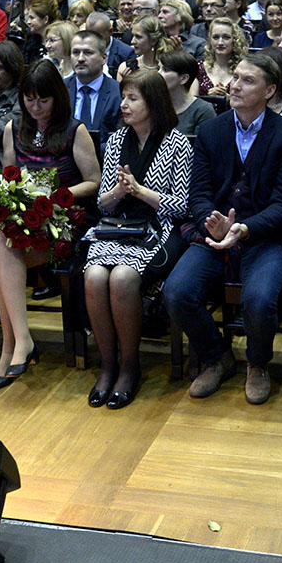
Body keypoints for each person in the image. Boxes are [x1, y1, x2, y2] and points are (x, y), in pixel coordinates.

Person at [163, 53, 282, 404]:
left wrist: (242, 228)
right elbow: (198, 193)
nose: (234, 85)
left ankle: (257, 364)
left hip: (266, 238)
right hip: (215, 234)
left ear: (269, 91)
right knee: (176, 292)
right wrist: (211, 223)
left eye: (247, 80)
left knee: (259, 299)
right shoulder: (211, 129)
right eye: (236, 77)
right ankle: (217, 357)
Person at [0, 60, 101, 389]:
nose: (35, 107)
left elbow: (94, 181)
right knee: (0, 242)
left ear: (57, 98)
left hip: (66, 219)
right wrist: (12, 201)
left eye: (43, 100)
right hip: (25, 221)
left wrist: (55, 196)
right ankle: (17, 344)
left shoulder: (74, 130)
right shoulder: (13, 128)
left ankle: (14, 346)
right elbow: (8, 180)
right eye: (29, 99)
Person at [83, 72, 193, 408]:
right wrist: (119, 191)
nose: (124, 105)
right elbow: (102, 203)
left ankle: (130, 367)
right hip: (117, 226)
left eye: (133, 98)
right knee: (94, 276)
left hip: (159, 228)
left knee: (122, 277)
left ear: (153, 103)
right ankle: (108, 365)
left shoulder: (178, 144)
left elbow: (182, 206)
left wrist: (141, 192)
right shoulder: (117, 140)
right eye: (123, 97)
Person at [66, 30, 123, 133]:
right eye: (76, 52)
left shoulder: (118, 93)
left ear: (104, 58)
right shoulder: (60, 89)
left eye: (88, 52)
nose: (80, 59)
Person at [159, 50, 216, 135]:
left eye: (165, 70)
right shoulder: (153, 105)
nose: (158, 73)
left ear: (183, 78)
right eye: (158, 68)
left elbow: (203, 142)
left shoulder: (203, 111)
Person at [199, 16, 246, 96]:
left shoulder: (245, 69)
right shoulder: (199, 68)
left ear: (235, 40)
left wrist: (227, 98)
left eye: (226, 37)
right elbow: (192, 101)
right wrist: (208, 98)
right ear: (210, 40)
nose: (220, 42)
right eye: (216, 37)